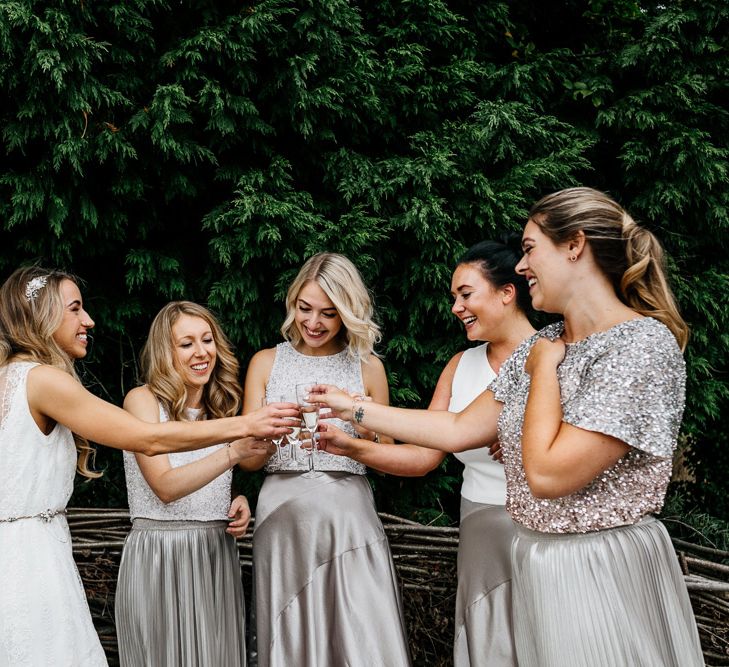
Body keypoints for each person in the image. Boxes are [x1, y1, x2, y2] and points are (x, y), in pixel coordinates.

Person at [310, 188, 703, 667]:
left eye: (531, 247)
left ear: (575, 245)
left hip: (599, 567)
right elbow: (455, 428)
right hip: (537, 562)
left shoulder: (639, 344)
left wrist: (543, 372)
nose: (521, 265)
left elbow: (550, 475)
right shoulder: (546, 342)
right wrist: (351, 409)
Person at [0, 267, 296, 667]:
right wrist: (245, 426)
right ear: (41, 316)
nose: (88, 320)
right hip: (29, 558)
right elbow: (148, 439)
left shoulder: (11, 377)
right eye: (75, 309)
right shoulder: (42, 380)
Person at [317, 239, 535, 666]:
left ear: (507, 292)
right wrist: (351, 446)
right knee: (490, 642)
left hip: (544, 524)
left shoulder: (557, 351)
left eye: (466, 294)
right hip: (480, 525)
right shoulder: (460, 365)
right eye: (454, 297)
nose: (456, 307)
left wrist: (524, 434)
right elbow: (423, 454)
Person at [243, 252, 411, 667]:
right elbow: (246, 460)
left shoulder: (367, 367)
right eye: (305, 308)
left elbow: (387, 455)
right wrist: (267, 438)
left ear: (347, 314)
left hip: (347, 512)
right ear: (292, 302)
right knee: (289, 625)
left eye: (328, 314)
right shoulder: (266, 362)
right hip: (281, 513)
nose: (313, 323)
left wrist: (354, 435)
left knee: (359, 623)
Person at [115, 301, 268, 666]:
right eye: (186, 344)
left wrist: (235, 499)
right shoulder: (142, 402)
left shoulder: (221, 410)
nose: (201, 353)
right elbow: (165, 487)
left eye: (207, 340)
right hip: (160, 557)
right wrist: (232, 452)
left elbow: (207, 478)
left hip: (215, 556)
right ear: (164, 352)